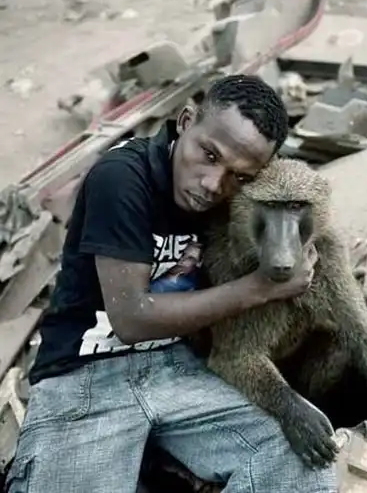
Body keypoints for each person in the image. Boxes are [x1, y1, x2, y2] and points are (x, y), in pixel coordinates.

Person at [5, 74, 338, 493]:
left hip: (177, 368)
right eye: (209, 154)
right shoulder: (121, 176)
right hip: (84, 374)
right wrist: (263, 288)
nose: (213, 184)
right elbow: (131, 318)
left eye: (239, 176)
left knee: (306, 465)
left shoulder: (234, 196)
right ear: (185, 121)